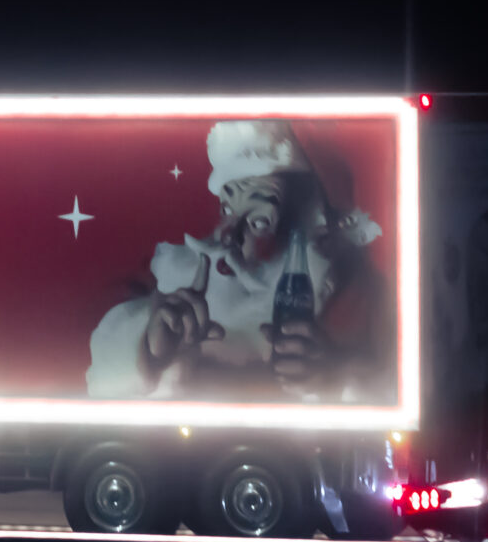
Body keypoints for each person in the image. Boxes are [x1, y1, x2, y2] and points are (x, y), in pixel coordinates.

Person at [85, 120, 393, 402]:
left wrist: (333, 378)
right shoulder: (171, 290)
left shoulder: (362, 304)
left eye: (259, 222)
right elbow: (103, 381)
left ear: (304, 240)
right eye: (227, 209)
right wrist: (149, 351)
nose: (227, 236)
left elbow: (390, 391)